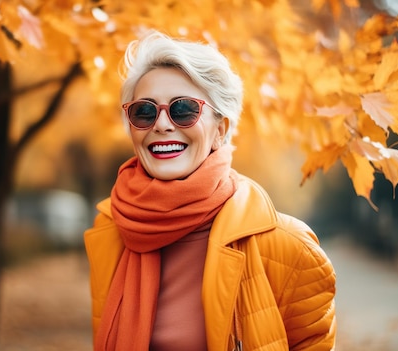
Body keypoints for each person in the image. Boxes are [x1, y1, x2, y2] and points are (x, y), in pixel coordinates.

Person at [83, 30, 336, 351]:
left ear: (221, 129)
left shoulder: (289, 247)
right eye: (144, 111)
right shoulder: (110, 231)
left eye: (184, 109)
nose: (161, 124)